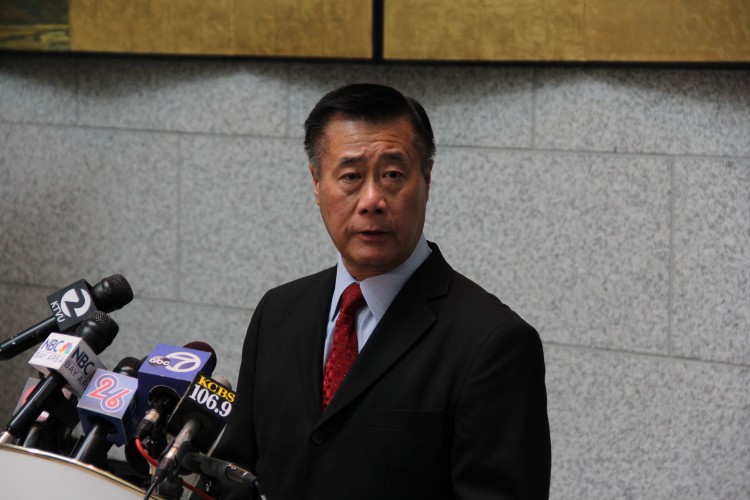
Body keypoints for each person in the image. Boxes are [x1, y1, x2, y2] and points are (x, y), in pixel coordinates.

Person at [215, 83, 551, 499]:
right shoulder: (278, 313)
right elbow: (234, 475)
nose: (372, 199)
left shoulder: (493, 344)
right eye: (351, 177)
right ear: (317, 183)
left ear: (426, 180)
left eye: (393, 175)